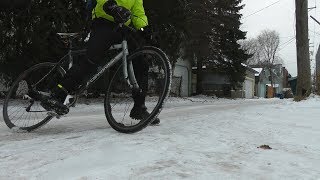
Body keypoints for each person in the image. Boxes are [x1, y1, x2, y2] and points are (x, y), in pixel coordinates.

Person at [41, 0, 160, 125]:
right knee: (91, 60)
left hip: (123, 27)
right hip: (104, 22)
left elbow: (138, 14)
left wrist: (145, 29)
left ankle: (139, 108)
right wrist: (111, 6)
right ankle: (57, 94)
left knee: (140, 62)